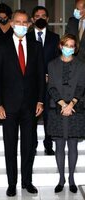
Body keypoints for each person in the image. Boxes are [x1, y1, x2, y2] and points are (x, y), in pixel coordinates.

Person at [0, 9, 45, 196]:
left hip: (31, 106)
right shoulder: (0, 46)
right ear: (12, 23)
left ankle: (27, 181)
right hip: (8, 106)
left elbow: (40, 76)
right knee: (10, 146)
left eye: (25, 23)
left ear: (29, 24)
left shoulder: (36, 46)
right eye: (18, 22)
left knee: (29, 146)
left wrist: (40, 100)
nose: (21, 25)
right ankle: (12, 183)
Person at [47, 34, 85, 194]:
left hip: (75, 109)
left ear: (75, 48)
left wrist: (71, 104)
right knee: (60, 146)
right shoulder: (52, 64)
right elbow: (52, 87)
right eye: (66, 45)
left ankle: (71, 179)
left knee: (73, 145)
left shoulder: (82, 65)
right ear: (61, 46)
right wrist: (63, 104)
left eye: (72, 46)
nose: (69, 48)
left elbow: (82, 86)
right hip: (57, 109)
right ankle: (61, 179)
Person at [27, 6, 60, 155]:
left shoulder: (55, 38)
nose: (40, 18)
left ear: (47, 19)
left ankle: (48, 144)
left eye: (43, 15)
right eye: (37, 15)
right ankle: (32, 145)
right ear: (33, 19)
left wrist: (50, 75)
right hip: (31, 84)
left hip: (49, 83)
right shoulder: (26, 38)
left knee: (49, 115)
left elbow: (57, 60)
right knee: (31, 116)